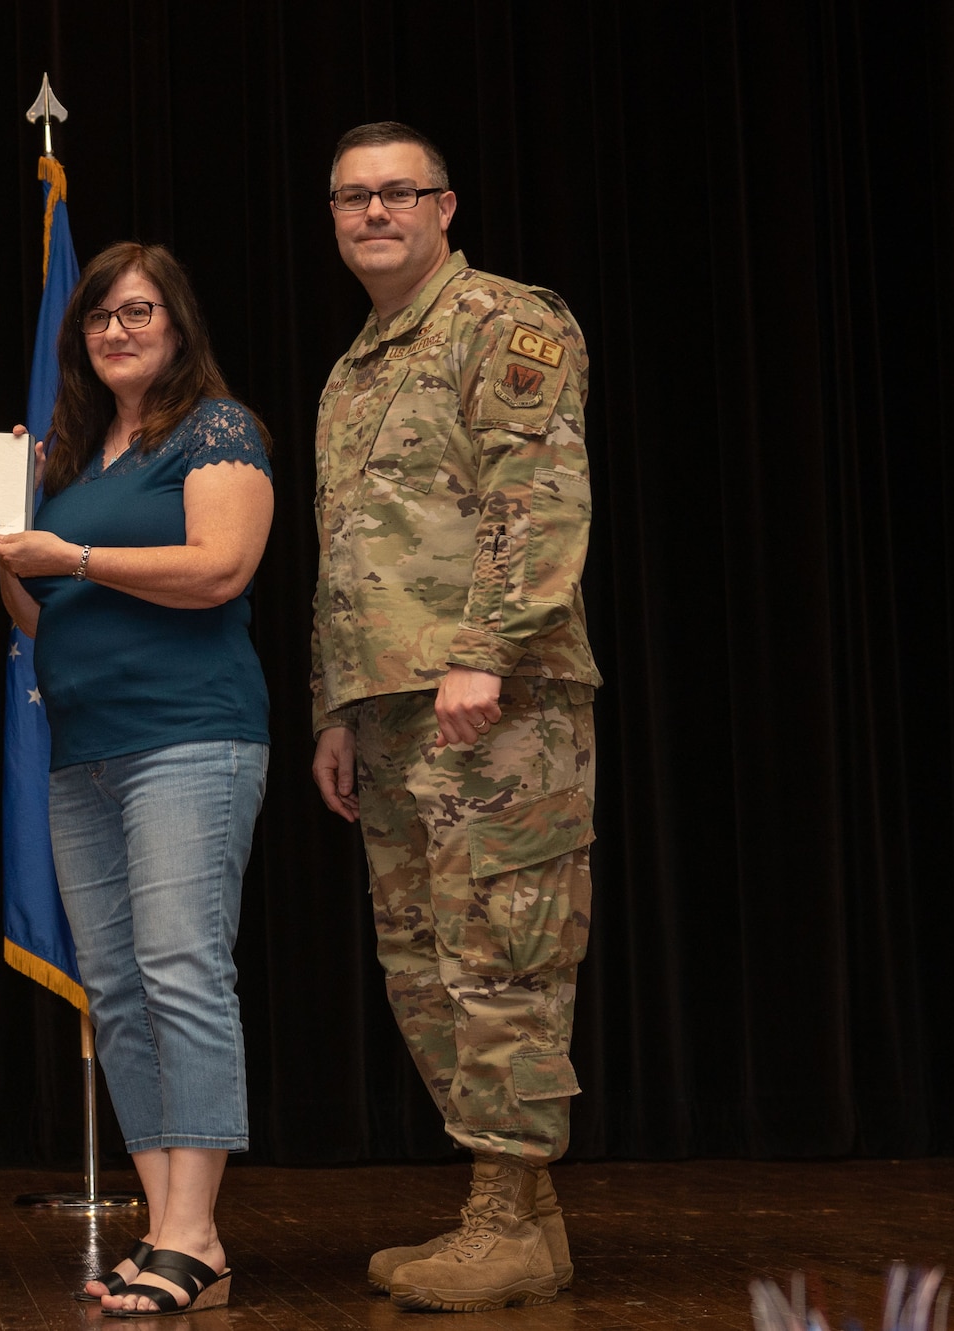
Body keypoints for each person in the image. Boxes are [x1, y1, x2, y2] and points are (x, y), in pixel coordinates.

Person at [309, 122, 603, 1313]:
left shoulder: (502, 322)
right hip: (389, 707)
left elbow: (531, 495)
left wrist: (482, 652)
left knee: (503, 951)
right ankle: (523, 1223)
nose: (372, 213)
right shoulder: (358, 362)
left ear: (442, 205)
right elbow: (351, 554)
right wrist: (337, 702)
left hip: (495, 698)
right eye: (349, 199)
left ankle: (501, 1214)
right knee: (424, 967)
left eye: (395, 193)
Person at [0, 242, 273, 1318]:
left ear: (175, 321)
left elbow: (219, 568)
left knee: (181, 969)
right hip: (80, 753)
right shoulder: (69, 456)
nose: (115, 328)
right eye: (99, 315)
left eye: (138, 310)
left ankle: (194, 1229)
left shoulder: (215, 427)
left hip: (188, 739)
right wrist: (14, 563)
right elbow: (39, 618)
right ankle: (168, 1232)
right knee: (117, 988)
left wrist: (76, 560)